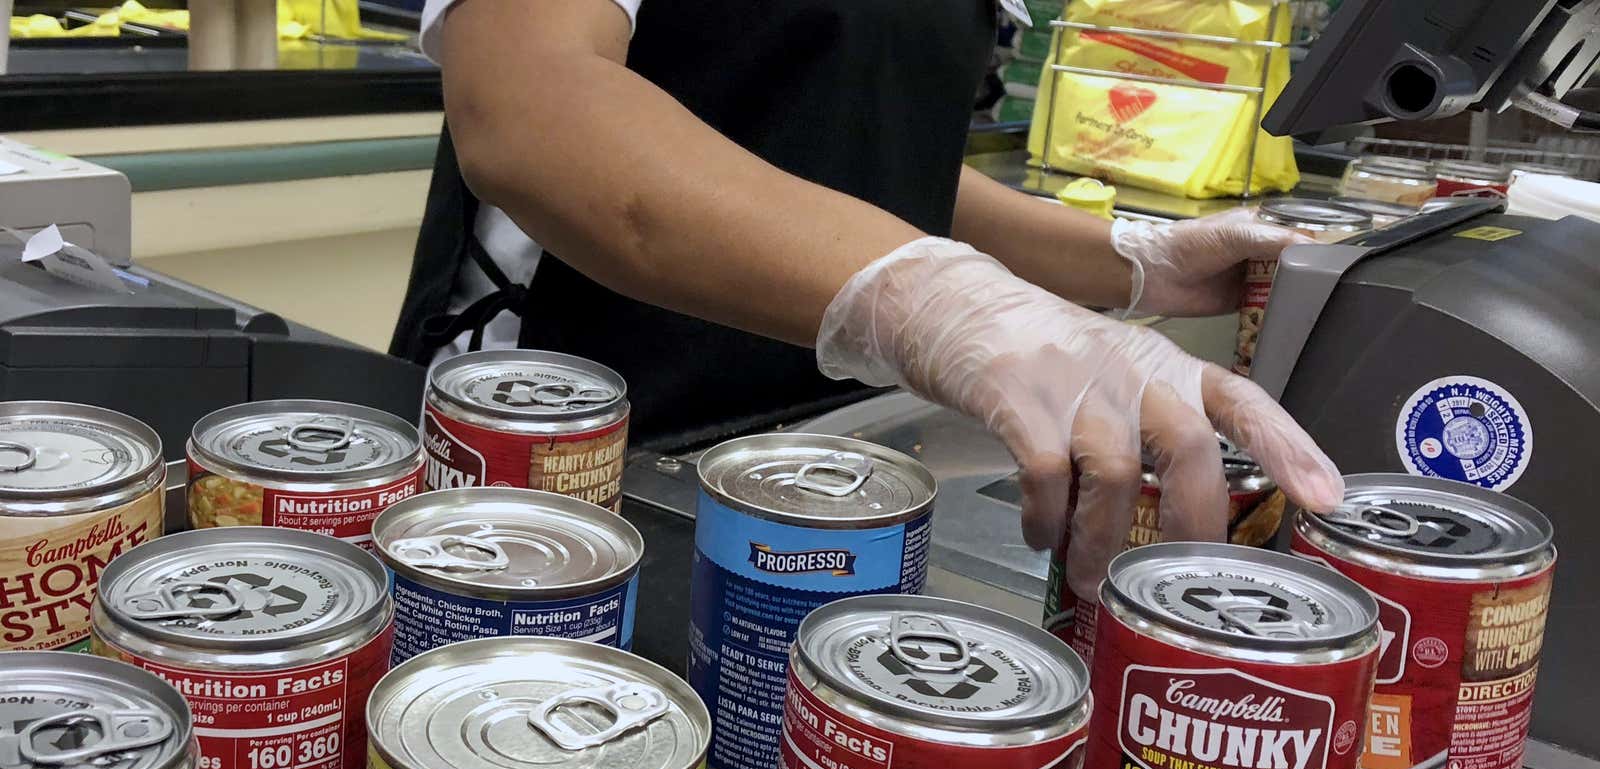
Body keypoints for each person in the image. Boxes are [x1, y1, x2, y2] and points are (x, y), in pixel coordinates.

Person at [392, 0, 1345, 603]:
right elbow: (528, 112)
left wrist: (1129, 262)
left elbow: (865, 161)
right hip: (576, 448)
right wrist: (943, 304)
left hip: (827, 449)